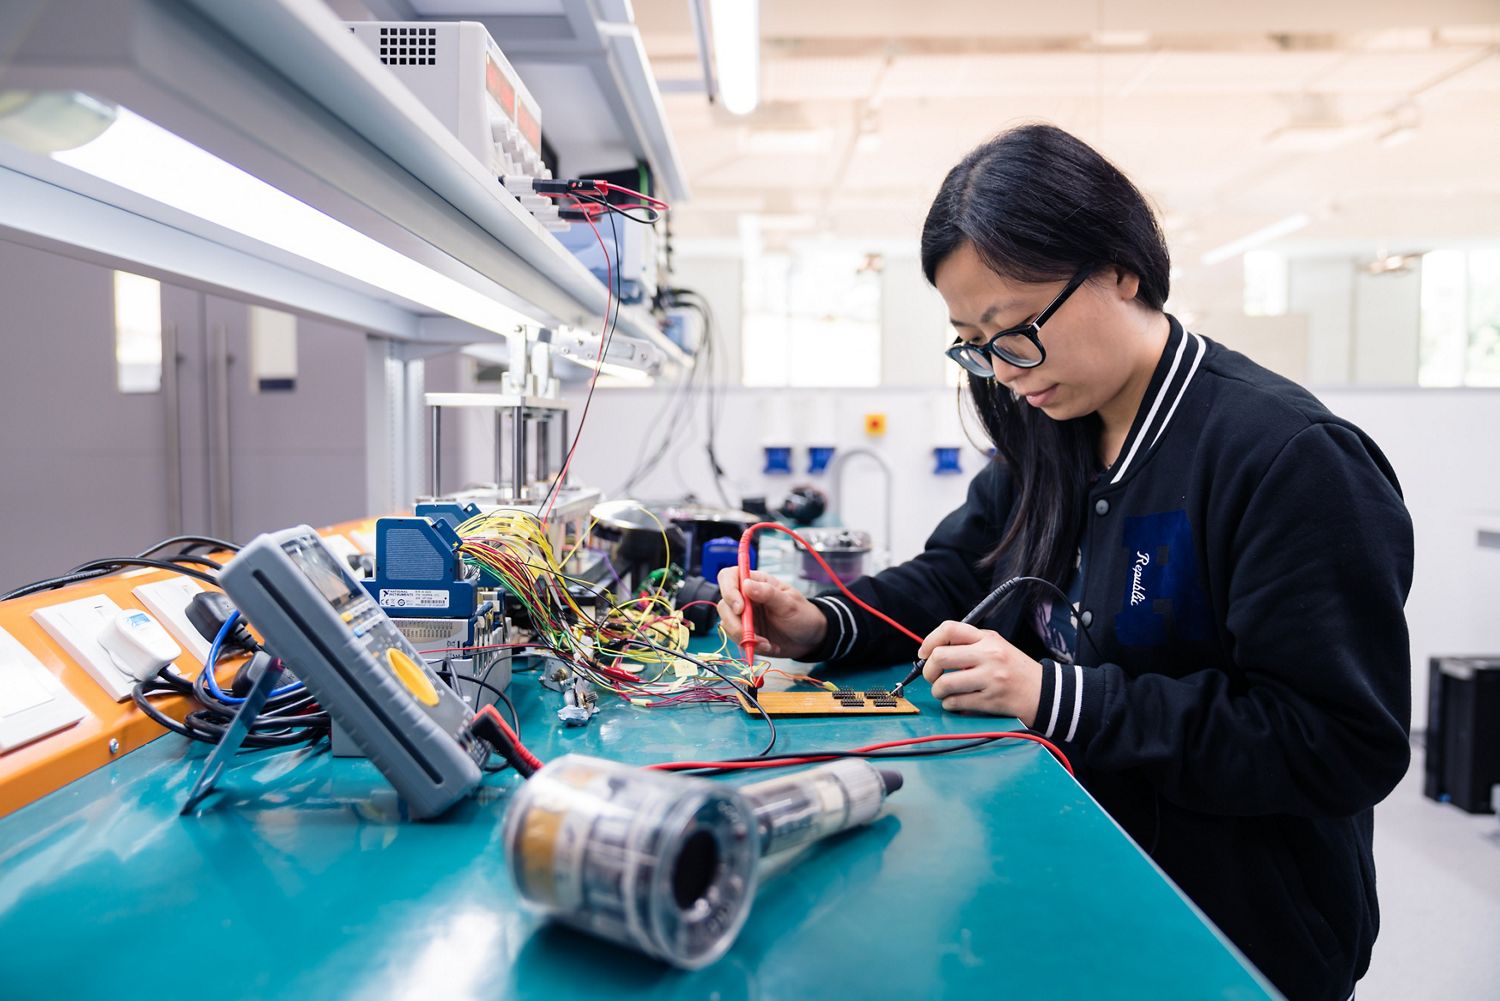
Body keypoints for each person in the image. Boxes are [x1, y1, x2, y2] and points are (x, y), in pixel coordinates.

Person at [716, 123, 1413, 1001]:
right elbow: (965, 573)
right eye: (973, 342)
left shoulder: (1286, 459)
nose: (1003, 374)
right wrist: (824, 620)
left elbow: (1339, 743)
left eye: (1012, 330)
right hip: (1081, 871)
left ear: (1120, 268)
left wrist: (1057, 695)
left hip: (1231, 932)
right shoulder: (1050, 427)